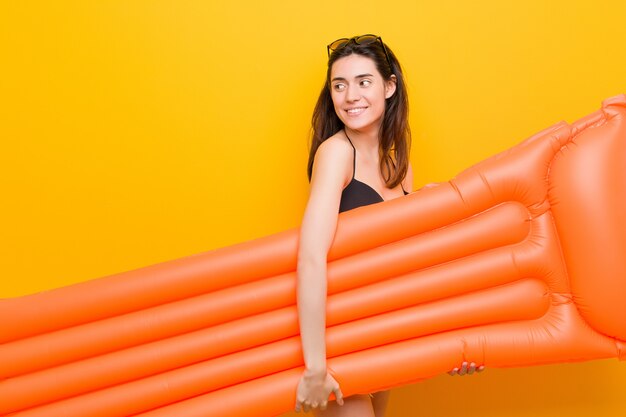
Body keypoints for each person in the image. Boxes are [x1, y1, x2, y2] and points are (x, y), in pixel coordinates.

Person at [294, 34, 483, 417]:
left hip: (384, 337)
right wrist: (315, 365)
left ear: (390, 86)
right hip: (339, 339)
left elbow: (408, 272)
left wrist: (454, 344)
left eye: (364, 82)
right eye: (339, 85)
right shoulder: (336, 154)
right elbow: (311, 257)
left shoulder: (399, 166)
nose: (350, 96)